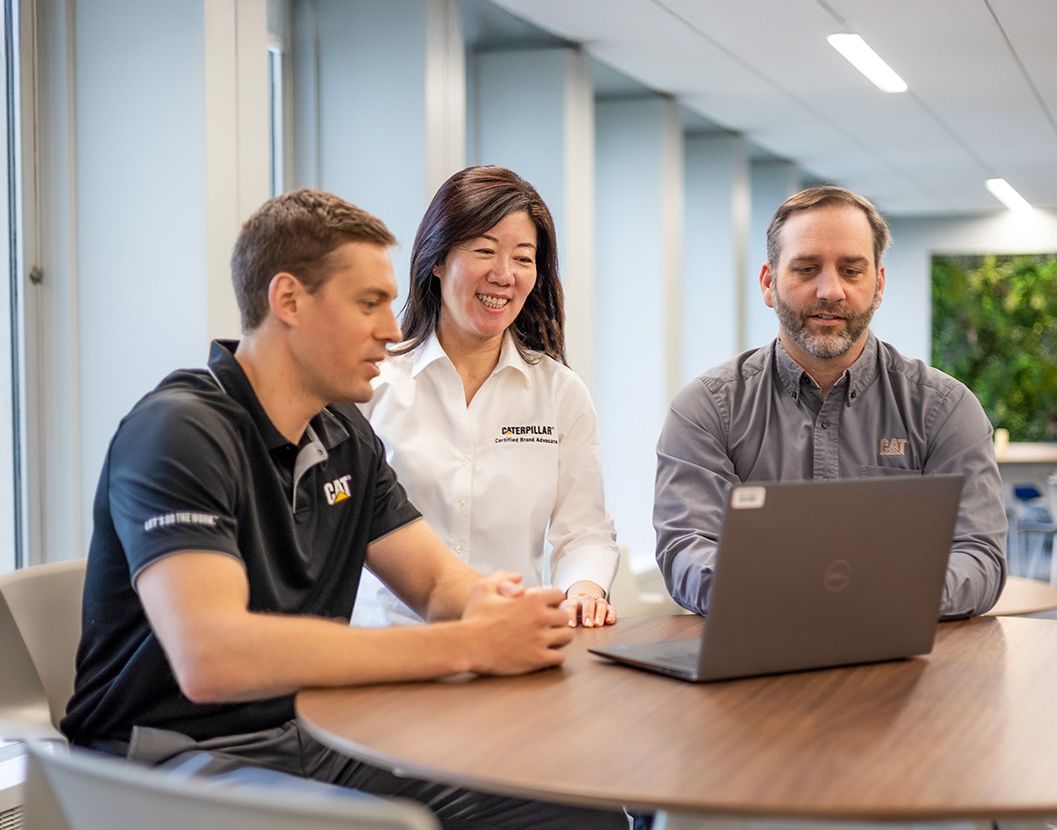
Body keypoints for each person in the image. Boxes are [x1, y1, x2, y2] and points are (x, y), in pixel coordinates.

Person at [60, 189, 626, 829]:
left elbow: (436, 583)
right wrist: (467, 645)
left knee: (581, 816)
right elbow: (212, 658)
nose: (393, 330)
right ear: (288, 300)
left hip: (307, 732)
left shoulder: (344, 436)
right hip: (172, 759)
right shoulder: (179, 431)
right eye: (368, 304)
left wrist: (510, 612)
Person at [653, 186, 1006, 618]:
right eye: (806, 269)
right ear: (768, 283)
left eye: (851, 271)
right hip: (757, 648)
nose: (830, 291)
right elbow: (687, 549)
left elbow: (979, 554)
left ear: (879, 284)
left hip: (904, 650)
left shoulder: (944, 409)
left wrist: (873, 596)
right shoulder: (707, 410)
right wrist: (800, 595)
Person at [353, 166, 619, 629]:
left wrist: (582, 592)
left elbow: (584, 531)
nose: (504, 275)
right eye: (484, 251)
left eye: (523, 258)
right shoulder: (372, 383)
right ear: (437, 259)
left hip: (512, 643)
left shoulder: (559, 392)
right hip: (391, 648)